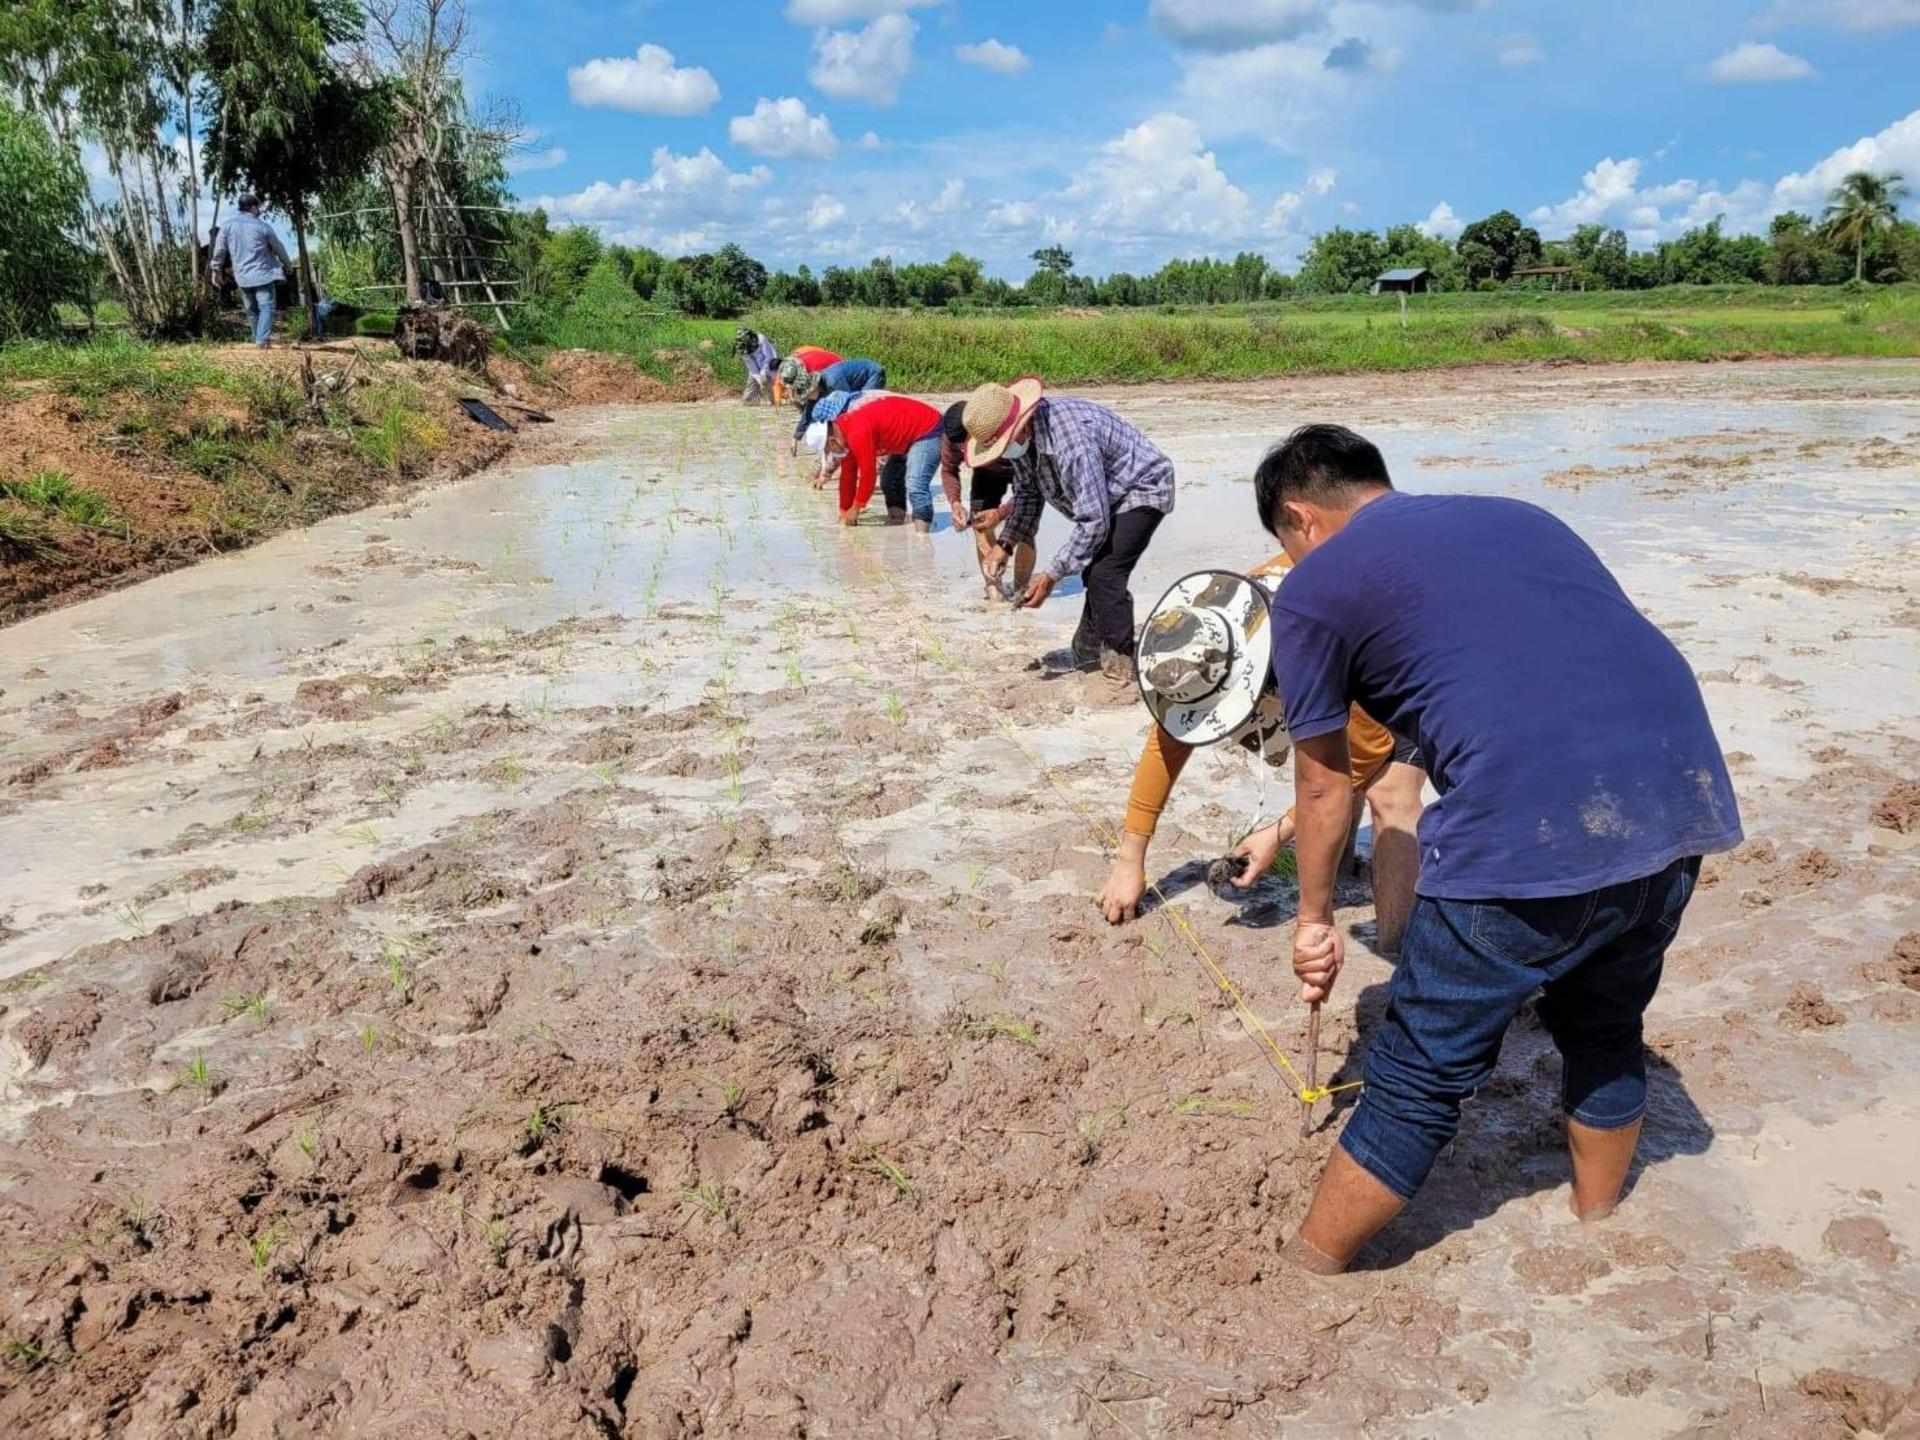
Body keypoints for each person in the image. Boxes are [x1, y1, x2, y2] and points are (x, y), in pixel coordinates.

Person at [1252, 424, 1742, 1275]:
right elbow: (1531, 669)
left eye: (1286, 544)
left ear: (1301, 519)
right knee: (1605, 1028)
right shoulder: (1518, 517)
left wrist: (1315, 916)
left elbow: (1326, 782)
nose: (1293, 560)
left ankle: (1307, 1274)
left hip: (1532, 826)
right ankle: (1600, 1225)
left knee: (1415, 1073)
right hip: (1679, 800)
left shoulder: (1315, 584)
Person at [1096, 547, 1426, 951]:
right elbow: (1166, 744)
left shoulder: (1322, 648)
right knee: (1328, 754)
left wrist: (1279, 831)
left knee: (1390, 790)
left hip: (1409, 634)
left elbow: (1365, 756)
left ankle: (1403, 952)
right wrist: (1130, 860)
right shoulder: (1212, 631)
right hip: (1355, 608)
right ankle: (1341, 870)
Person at [961, 377, 1175, 685]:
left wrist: (1051, 575)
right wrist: (1004, 544)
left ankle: (1121, 661)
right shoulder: (1025, 445)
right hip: (1107, 499)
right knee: (1095, 572)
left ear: (1020, 424)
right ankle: (1088, 647)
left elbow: (1093, 520)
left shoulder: (1070, 442)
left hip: (1141, 488)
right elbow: (1027, 495)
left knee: (1105, 573)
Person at [938, 401, 1032, 602]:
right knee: (979, 526)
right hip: (986, 473)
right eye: (959, 445)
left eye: (967, 443)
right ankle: (994, 589)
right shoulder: (953, 435)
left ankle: (1021, 590)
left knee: (1024, 529)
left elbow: (1032, 491)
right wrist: (955, 503)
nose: (963, 448)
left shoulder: (1008, 430)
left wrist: (1001, 514)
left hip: (1021, 468)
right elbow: (948, 469)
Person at [826, 394, 943, 529]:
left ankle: (923, 535)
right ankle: (897, 522)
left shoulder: (857, 432)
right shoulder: (845, 431)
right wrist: (844, 510)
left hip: (928, 428)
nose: (831, 453)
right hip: (904, 437)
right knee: (888, 481)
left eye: (828, 449)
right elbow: (848, 474)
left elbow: (868, 474)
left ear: (832, 441)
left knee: (915, 484)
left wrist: (856, 508)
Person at [209, 195, 293, 348]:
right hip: (264, 275)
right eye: (258, 207)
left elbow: (219, 250)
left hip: (243, 277)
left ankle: (257, 340)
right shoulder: (262, 226)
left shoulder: (227, 226)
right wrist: (287, 264)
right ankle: (261, 340)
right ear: (254, 207)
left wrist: (216, 270)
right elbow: (278, 247)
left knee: (251, 309)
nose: (259, 210)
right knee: (266, 306)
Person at [790, 357, 887, 454]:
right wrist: (796, 438)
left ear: (813, 388)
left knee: (863, 410)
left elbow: (847, 406)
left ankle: (877, 445)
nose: (807, 399)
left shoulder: (833, 381)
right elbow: (808, 414)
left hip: (874, 375)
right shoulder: (819, 388)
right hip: (858, 383)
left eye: (806, 396)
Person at [735, 327, 779, 406]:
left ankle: (775, 400)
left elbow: (769, 357)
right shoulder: (742, 349)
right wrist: (759, 379)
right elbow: (752, 367)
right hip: (756, 369)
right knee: (747, 399)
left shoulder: (761, 339)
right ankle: (750, 401)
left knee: (769, 384)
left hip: (770, 365)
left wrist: (763, 373)